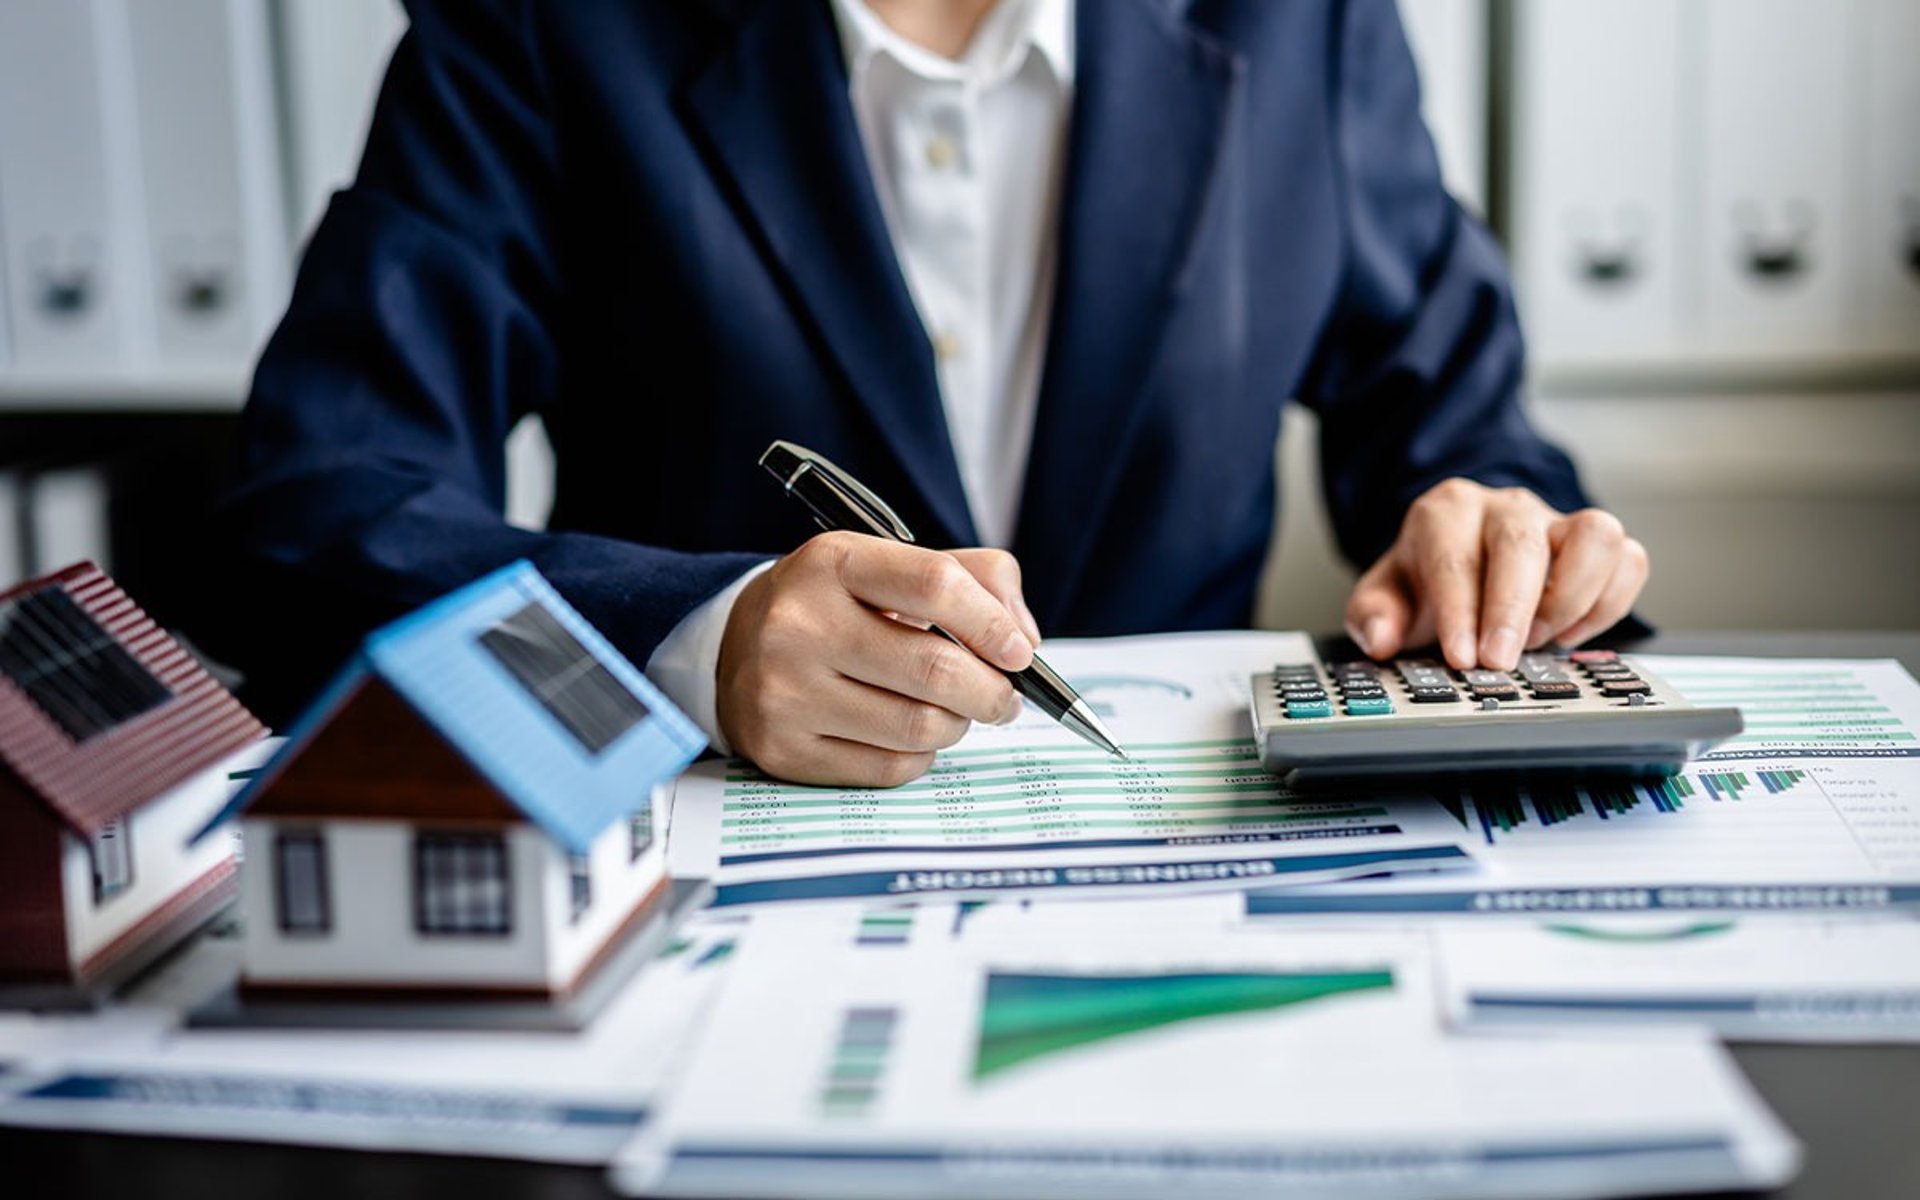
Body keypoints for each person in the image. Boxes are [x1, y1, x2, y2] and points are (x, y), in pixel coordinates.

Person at [218, 0, 1649, 787]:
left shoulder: (1306, 27)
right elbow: (315, 516)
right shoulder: (540, 27)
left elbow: (1462, 435)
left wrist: (1497, 537)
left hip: (1188, 886)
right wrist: (693, 646)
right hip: (710, 936)